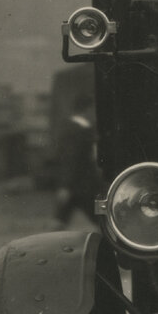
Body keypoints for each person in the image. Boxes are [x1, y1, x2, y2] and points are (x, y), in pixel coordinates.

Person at [53, 93, 101, 226]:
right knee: (103, 218)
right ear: (88, 109)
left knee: (60, 220)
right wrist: (65, 185)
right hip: (83, 186)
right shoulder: (76, 130)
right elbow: (70, 158)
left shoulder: (79, 128)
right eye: (93, 109)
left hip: (78, 185)